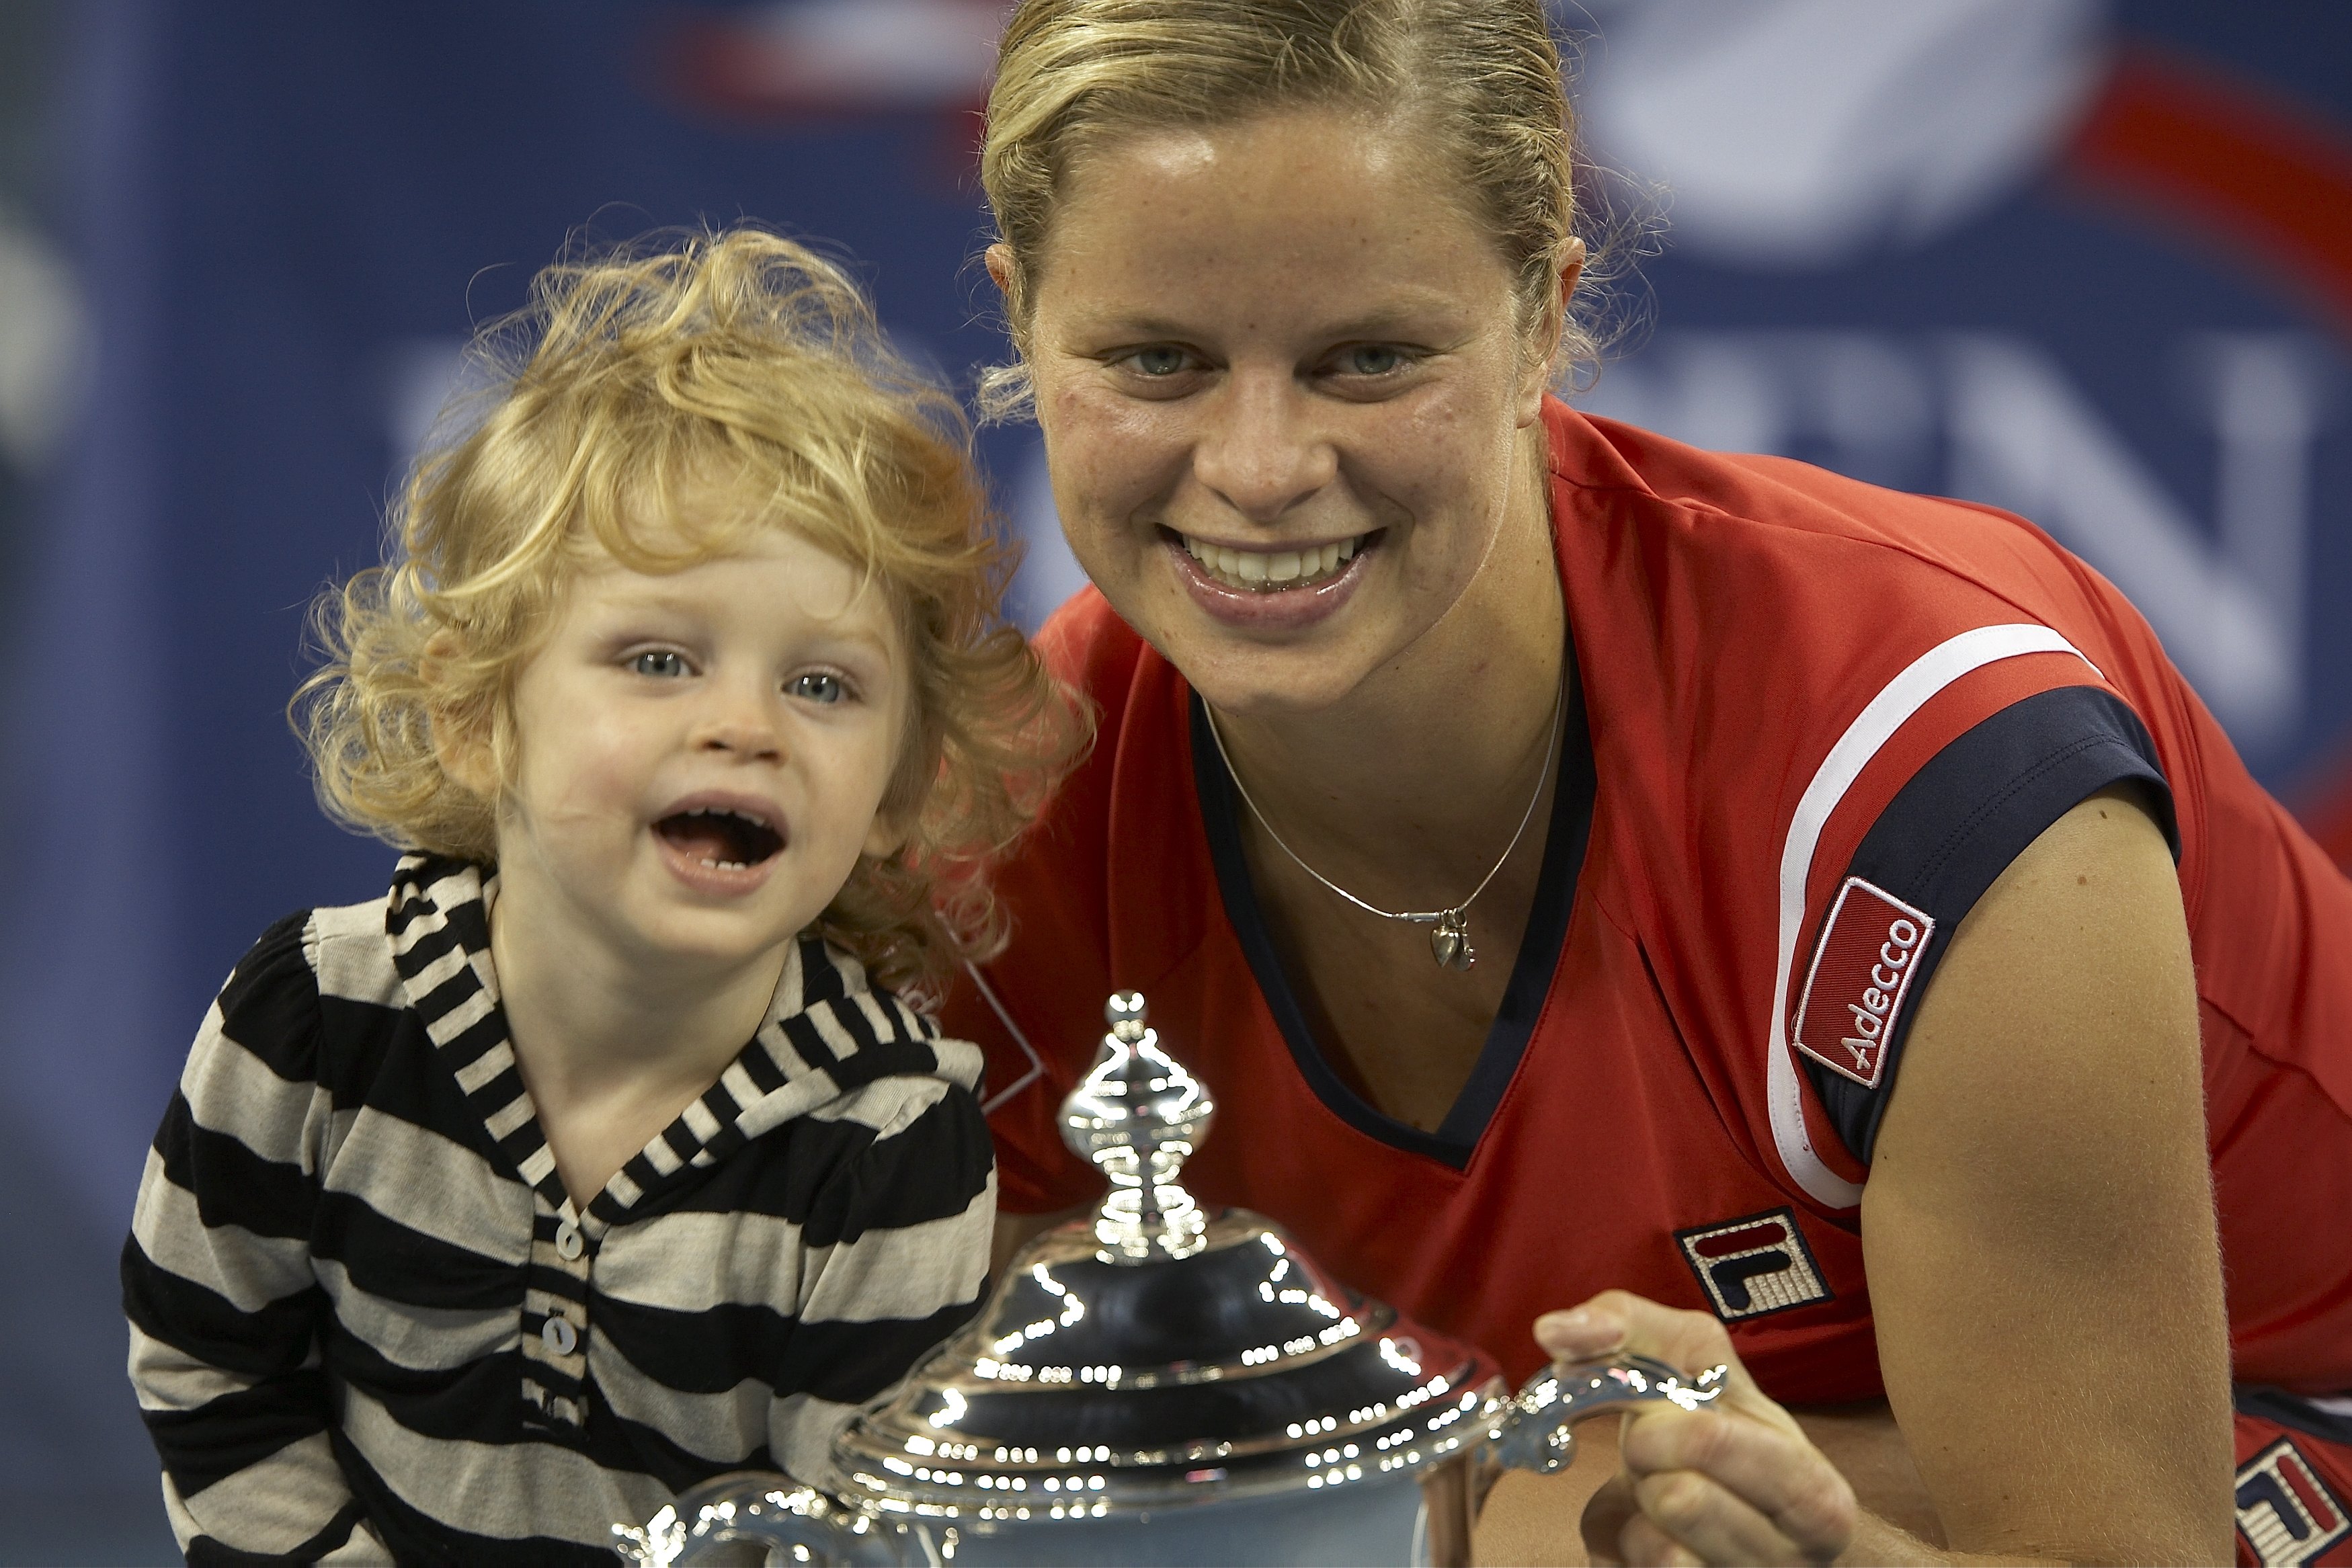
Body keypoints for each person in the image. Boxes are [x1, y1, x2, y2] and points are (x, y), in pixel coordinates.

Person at [944, 3, 2352, 1563]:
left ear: (1542, 316)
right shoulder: (1001, 830)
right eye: (1157, 360)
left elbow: (2109, 1549)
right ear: (1021, 322)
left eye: (1371, 359)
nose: (1261, 465)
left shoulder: (1918, 762)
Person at [120, 229, 1079, 1562]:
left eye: (822, 685)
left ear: (905, 785)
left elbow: (853, 1538)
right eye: (657, 658)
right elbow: (212, 1373)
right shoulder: (311, 1020)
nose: (746, 725)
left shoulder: (889, 1146)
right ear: (473, 713)